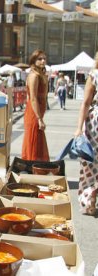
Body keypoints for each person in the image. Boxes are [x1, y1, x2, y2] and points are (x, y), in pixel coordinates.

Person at [74, 51, 98, 215]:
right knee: (90, 163)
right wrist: (78, 128)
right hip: (95, 126)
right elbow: (85, 103)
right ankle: (89, 200)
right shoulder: (95, 74)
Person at [21, 49, 49, 161]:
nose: (43, 61)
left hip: (37, 112)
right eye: (40, 59)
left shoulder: (40, 74)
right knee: (34, 140)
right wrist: (39, 118)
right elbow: (32, 98)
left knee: (38, 141)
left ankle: (37, 167)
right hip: (34, 113)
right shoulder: (34, 76)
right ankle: (31, 166)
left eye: (44, 59)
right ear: (34, 60)